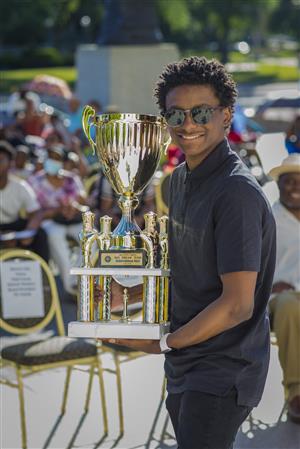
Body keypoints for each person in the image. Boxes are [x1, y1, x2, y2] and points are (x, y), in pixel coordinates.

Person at [96, 57, 277, 449]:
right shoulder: (178, 181)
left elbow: (237, 305)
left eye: (200, 112)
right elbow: (182, 271)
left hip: (224, 370)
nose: (188, 124)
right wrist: (118, 297)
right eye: (175, 114)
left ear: (226, 115)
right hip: (185, 364)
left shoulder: (237, 193)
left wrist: (163, 342)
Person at [28, 144, 87, 295]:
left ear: (63, 161)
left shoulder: (71, 178)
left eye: (57, 158)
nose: (53, 161)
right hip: (50, 220)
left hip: (72, 219)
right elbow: (32, 208)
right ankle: (71, 287)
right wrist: (55, 211)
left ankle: (79, 281)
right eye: (51, 158)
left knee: (91, 239)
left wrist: (72, 205)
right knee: (56, 239)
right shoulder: (35, 180)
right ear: (45, 159)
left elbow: (83, 198)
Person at [268, 154, 300, 424]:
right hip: (277, 298)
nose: (296, 187)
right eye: (289, 182)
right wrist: (267, 284)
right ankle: (297, 394)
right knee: (290, 303)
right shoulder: (267, 220)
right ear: (279, 185)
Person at [0, 140, 49, 261]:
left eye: (1, 160)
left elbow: (36, 212)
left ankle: (43, 274)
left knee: (40, 234)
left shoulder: (20, 186)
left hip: (13, 226)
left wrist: (29, 232)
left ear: (10, 163)